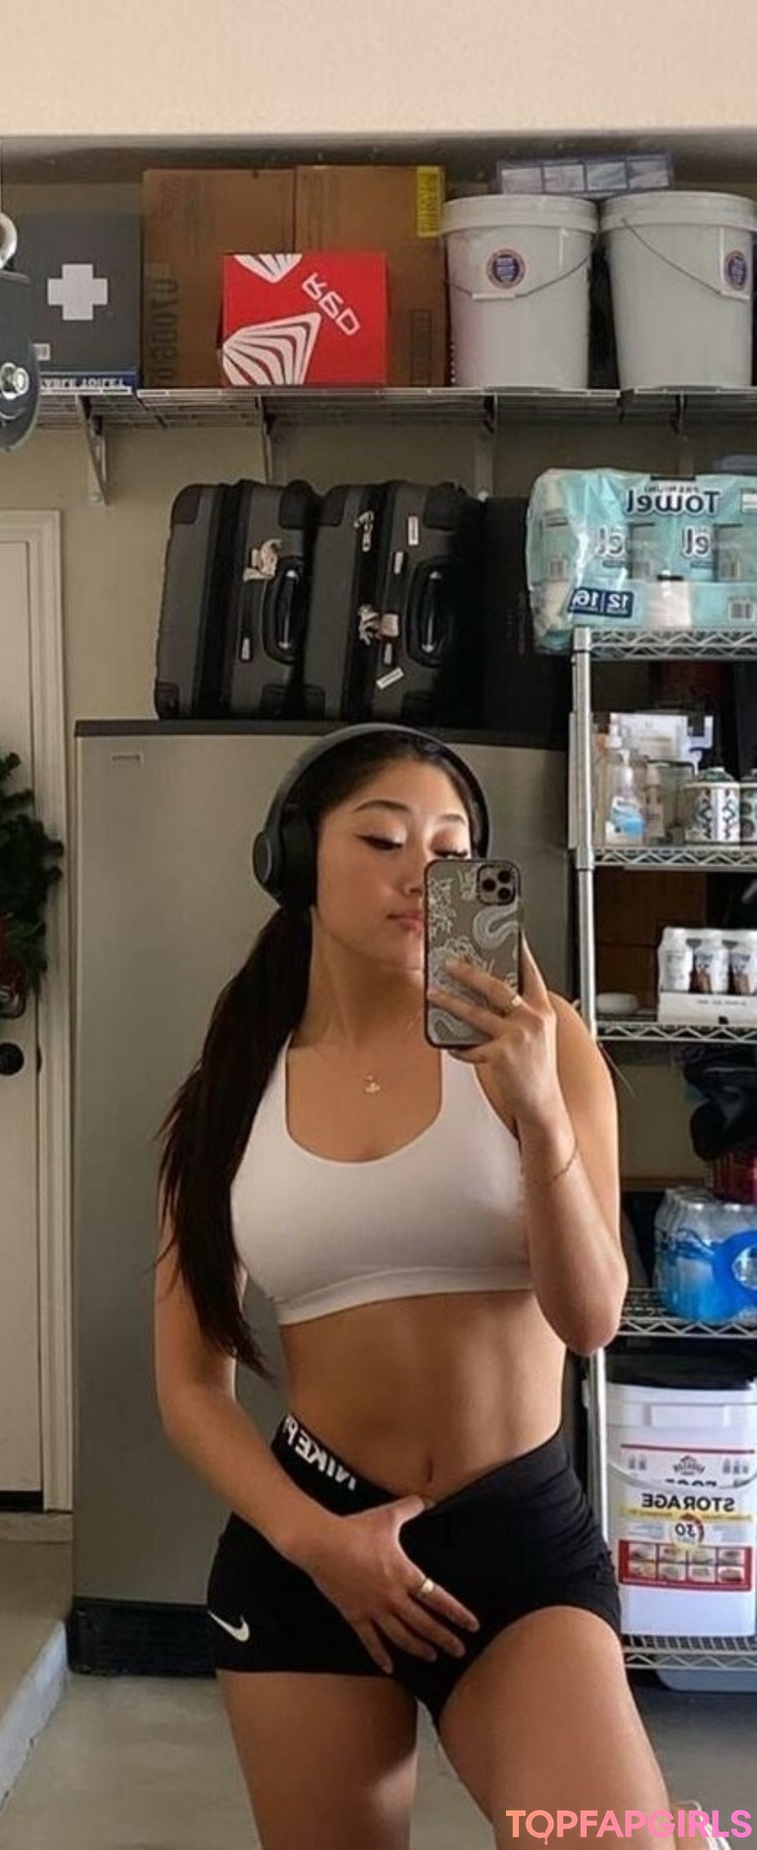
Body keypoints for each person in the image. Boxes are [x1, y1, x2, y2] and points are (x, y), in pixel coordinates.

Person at [154, 724, 677, 1850]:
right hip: (313, 1543)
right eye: (383, 839)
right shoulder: (234, 1086)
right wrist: (316, 1542)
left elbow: (590, 1318)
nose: (419, 873)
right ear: (297, 857)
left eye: (450, 851)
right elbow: (191, 1386)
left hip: (515, 1545)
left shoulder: (543, 1044)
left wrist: (538, 1113)